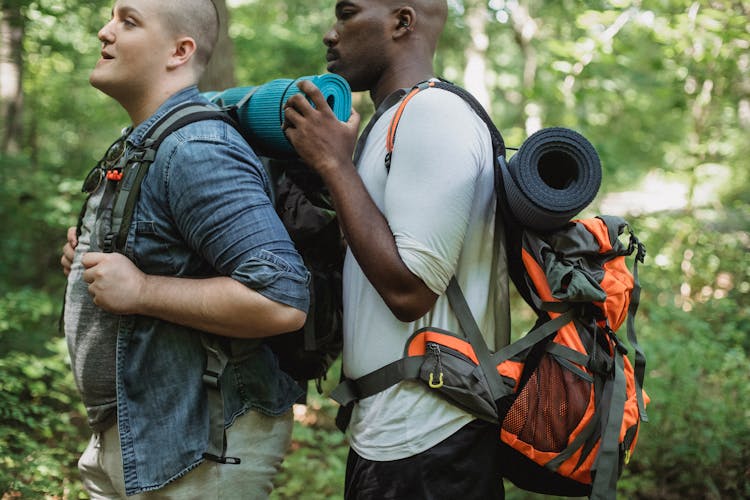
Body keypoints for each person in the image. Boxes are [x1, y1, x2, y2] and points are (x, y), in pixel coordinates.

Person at [60, 0, 310, 497]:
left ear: (180, 51)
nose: (104, 32)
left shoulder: (196, 146)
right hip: (141, 434)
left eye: (127, 21)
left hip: (200, 446)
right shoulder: (143, 141)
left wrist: (142, 290)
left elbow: (281, 300)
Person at [282, 0, 510, 498]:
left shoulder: (434, 114)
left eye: (346, 14)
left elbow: (409, 291)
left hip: (432, 440)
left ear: (402, 22)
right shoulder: (388, 123)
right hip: (390, 437)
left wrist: (333, 164)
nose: (330, 33)